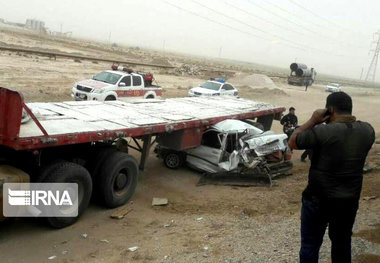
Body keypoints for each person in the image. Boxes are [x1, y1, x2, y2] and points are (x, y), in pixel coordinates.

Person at [288, 92, 375, 263]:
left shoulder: (323, 131)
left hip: (318, 199)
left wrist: (313, 120)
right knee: (342, 243)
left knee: (310, 246)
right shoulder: (368, 130)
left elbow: (293, 141)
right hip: (348, 201)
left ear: (330, 109)